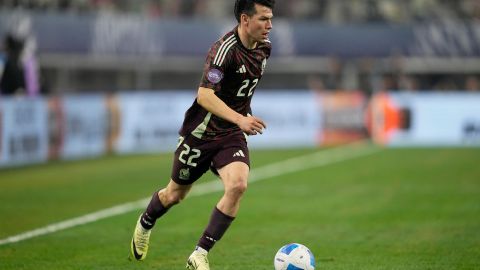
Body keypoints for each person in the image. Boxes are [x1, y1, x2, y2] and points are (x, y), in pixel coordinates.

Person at [129, 0, 274, 269]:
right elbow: (205, 96)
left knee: (238, 185)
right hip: (200, 133)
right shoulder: (223, 51)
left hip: (230, 134)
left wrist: (241, 119)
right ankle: (146, 221)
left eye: (271, 18)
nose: (270, 25)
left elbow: (240, 90)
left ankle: (200, 253)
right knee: (174, 195)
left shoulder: (265, 49)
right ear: (245, 20)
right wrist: (241, 118)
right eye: (264, 19)